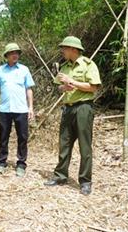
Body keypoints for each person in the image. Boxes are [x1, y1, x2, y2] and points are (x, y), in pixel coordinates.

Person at [44, 36, 101, 195]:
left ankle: (85, 181)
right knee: (64, 143)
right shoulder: (65, 66)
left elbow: (93, 87)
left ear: (74, 49)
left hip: (84, 107)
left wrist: (73, 82)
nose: (62, 51)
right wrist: (64, 87)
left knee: (85, 146)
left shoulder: (88, 65)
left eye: (64, 48)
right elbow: (59, 88)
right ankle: (60, 176)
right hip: (67, 108)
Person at [0, 43, 35, 177]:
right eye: (12, 53)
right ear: (7, 56)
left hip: (21, 109)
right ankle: (2, 162)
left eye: (17, 52)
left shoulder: (24, 69)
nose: (15, 55)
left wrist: (30, 107)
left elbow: (29, 89)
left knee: (22, 137)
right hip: (4, 109)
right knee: (3, 137)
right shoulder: (0, 70)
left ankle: (21, 164)